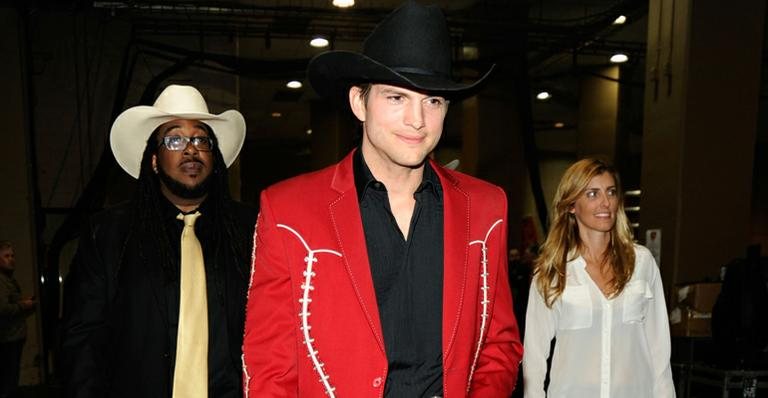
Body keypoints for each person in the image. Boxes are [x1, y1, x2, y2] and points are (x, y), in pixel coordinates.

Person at [241, 2, 523, 397]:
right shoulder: (288, 210)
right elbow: (269, 365)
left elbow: (498, 343)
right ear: (360, 102)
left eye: (434, 101)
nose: (418, 120)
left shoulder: (487, 207)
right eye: (396, 98)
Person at [61, 85, 256, 397]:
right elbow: (82, 341)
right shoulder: (109, 234)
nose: (190, 149)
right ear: (154, 161)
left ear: (215, 159)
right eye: (175, 139)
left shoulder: (251, 231)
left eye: (201, 139)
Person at [522, 158, 675, 398]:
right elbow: (534, 355)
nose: (606, 203)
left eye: (611, 192)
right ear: (572, 205)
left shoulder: (642, 262)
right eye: (592, 194)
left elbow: (659, 349)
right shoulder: (553, 271)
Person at [0, 241, 36, 398]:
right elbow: (2, 309)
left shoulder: (8, 280)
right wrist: (24, 305)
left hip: (13, 337)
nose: (11, 259)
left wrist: (26, 306)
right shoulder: (1, 281)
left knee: (10, 379)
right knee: (8, 382)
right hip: (8, 339)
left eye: (12, 255)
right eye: (6, 256)